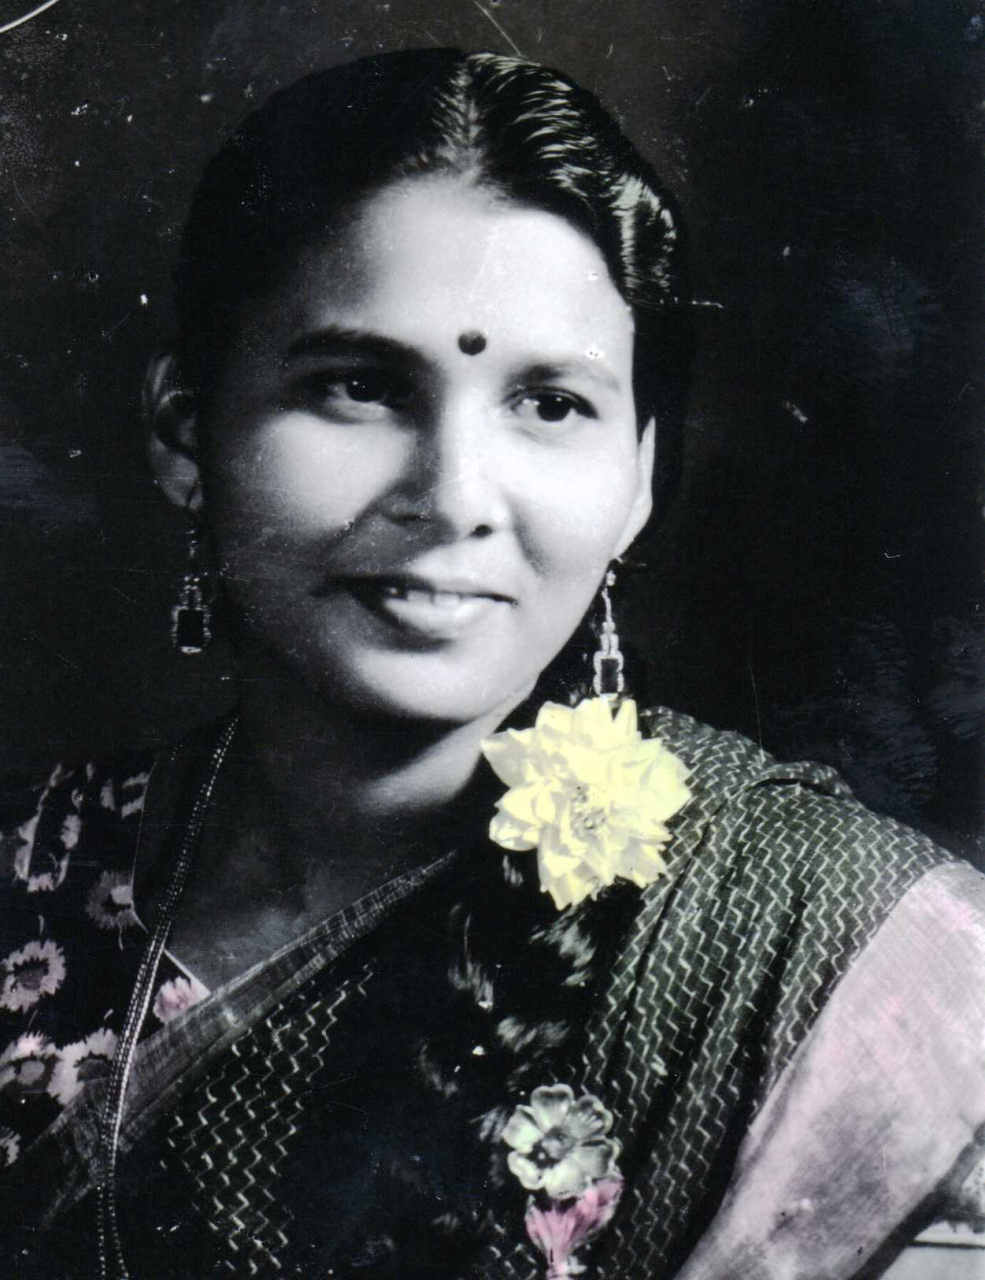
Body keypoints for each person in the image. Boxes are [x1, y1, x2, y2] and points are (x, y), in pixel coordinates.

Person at [1, 47, 984, 1280]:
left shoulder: (842, 955)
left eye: (551, 403)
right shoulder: (34, 868)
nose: (455, 496)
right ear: (184, 431)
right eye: (359, 386)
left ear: (637, 479)